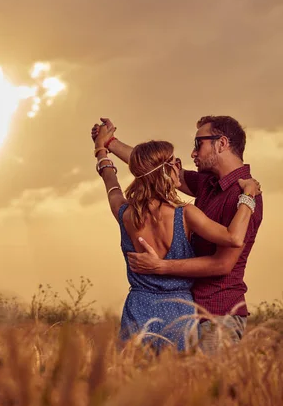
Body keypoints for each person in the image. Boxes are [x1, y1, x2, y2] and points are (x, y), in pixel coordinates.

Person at [91, 116, 263, 352]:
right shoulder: (205, 188)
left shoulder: (240, 196)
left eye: (197, 144)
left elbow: (223, 264)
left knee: (201, 387)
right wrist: (110, 142)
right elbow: (150, 166)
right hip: (184, 310)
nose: (192, 154)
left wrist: (160, 266)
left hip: (217, 312)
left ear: (221, 143)